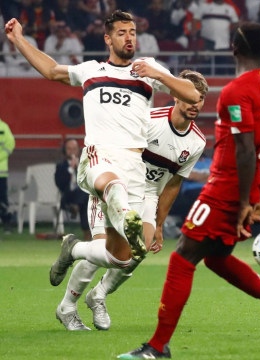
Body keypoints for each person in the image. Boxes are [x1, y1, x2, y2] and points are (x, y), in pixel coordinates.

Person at [117, 23, 260, 359]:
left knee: (182, 256)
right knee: (216, 259)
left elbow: (246, 150)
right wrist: (259, 195)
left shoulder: (235, 91)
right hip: (247, 188)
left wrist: (243, 203)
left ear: (233, 47)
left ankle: (157, 347)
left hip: (227, 189)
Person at [4, 10, 200, 292]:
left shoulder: (147, 71)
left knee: (123, 258)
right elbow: (51, 70)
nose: (129, 37)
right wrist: (19, 39)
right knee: (113, 184)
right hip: (100, 156)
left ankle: (73, 249)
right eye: (122, 33)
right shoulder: (91, 70)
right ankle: (123, 220)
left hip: (134, 164)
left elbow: (192, 95)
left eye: (132, 32)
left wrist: (157, 73)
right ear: (108, 39)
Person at [54, 70, 208, 331]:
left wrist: (159, 224)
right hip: (119, 185)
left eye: (200, 99)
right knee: (103, 253)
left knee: (139, 251)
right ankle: (67, 306)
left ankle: (98, 295)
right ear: (175, 95)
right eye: (189, 96)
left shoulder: (197, 142)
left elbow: (172, 184)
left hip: (147, 195)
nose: (195, 103)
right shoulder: (147, 121)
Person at [55, 139, 91, 240]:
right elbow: (60, 184)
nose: (72, 152)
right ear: (65, 151)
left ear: (79, 151)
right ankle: (86, 232)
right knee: (85, 197)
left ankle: (76, 207)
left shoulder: (86, 164)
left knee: (85, 195)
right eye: (69, 149)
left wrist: (78, 167)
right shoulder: (61, 166)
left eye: (74, 149)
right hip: (68, 196)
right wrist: (70, 169)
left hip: (84, 195)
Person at [0, 117, 15, 233]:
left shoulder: (3, 127)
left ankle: (6, 224)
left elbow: (10, 144)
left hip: (1, 173)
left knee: (3, 200)